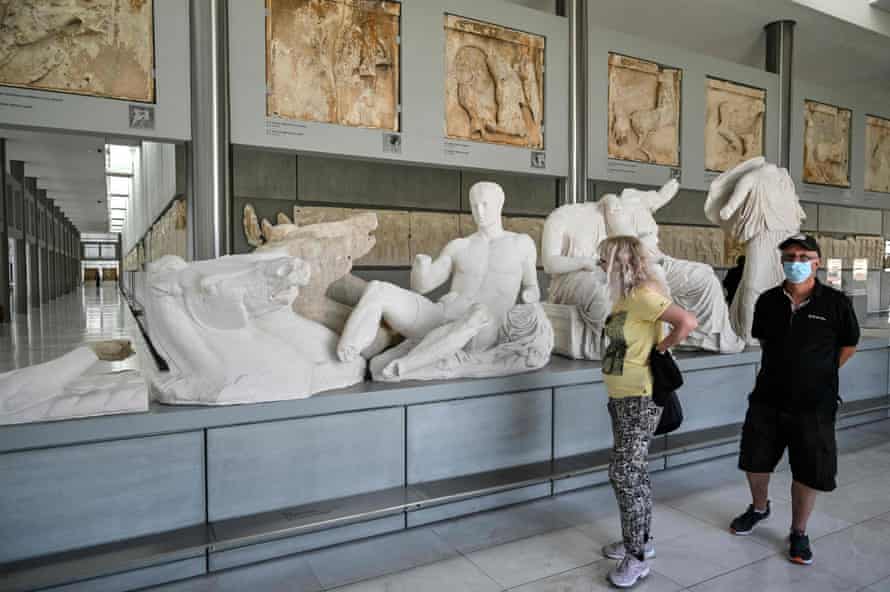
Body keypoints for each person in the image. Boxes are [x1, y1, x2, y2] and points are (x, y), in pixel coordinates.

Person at [730, 234, 859, 565]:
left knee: (809, 467)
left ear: (817, 261)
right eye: (790, 256)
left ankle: (799, 532)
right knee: (754, 459)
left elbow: (849, 344)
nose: (796, 262)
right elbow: (764, 341)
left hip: (814, 404)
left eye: (804, 256)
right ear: (782, 261)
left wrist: (820, 373)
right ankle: (759, 508)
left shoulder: (836, 303)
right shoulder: (768, 301)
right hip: (767, 399)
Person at [597, 236, 698, 588]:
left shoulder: (641, 296)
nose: (598, 266)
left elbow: (687, 321)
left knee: (625, 472)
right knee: (633, 472)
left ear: (618, 262)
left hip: (641, 396)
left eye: (602, 260)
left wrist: (662, 348)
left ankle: (636, 557)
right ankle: (639, 542)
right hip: (621, 397)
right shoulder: (623, 301)